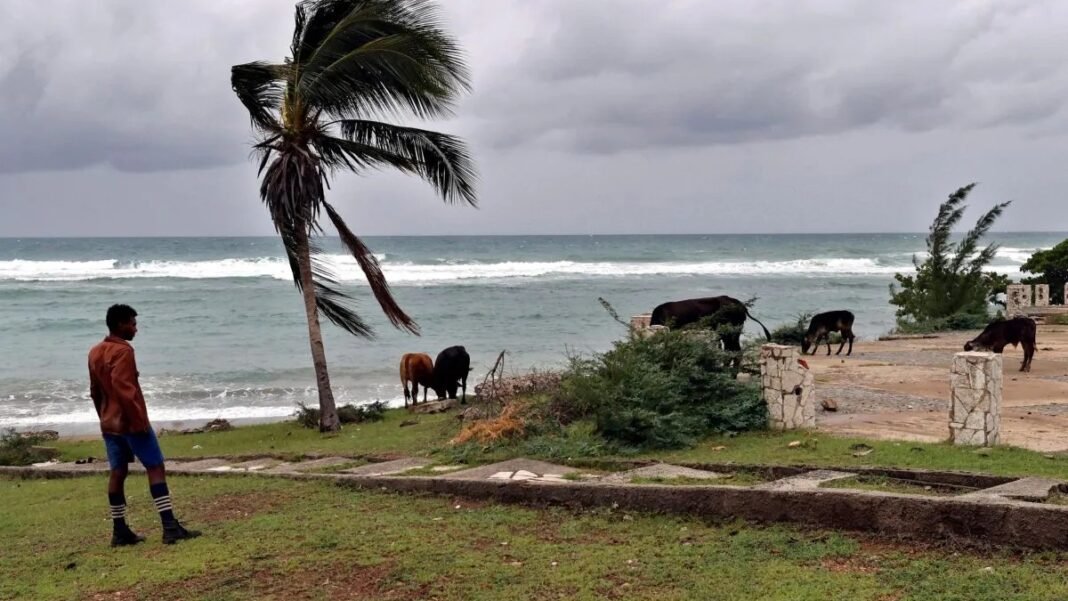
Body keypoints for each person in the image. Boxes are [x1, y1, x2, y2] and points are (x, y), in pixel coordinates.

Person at [88, 304, 200, 546]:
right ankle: (169, 526)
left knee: (118, 472)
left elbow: (95, 392)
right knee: (155, 467)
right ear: (120, 324)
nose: (135, 329)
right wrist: (138, 422)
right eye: (132, 324)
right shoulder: (123, 352)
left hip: (109, 423)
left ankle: (120, 531)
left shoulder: (95, 352)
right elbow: (124, 390)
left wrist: (104, 417)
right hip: (130, 422)